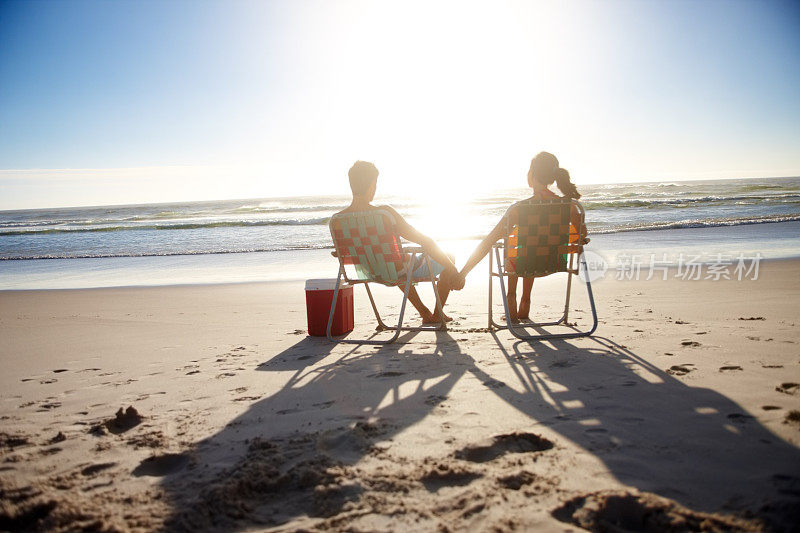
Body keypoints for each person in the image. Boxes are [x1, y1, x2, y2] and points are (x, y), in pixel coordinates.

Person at [458, 151, 586, 322]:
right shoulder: (569, 206)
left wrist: (463, 273)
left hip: (526, 264)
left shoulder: (519, 209)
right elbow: (582, 234)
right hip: (555, 263)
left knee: (520, 249)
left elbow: (489, 240)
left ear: (532, 174)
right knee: (532, 246)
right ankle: (525, 302)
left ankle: (511, 298)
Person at [334, 161, 465, 324]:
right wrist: (454, 270)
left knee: (394, 261)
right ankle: (437, 313)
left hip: (369, 270)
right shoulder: (383, 213)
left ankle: (424, 312)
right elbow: (424, 241)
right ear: (372, 185)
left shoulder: (338, 220)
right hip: (395, 270)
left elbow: (342, 252)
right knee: (445, 257)